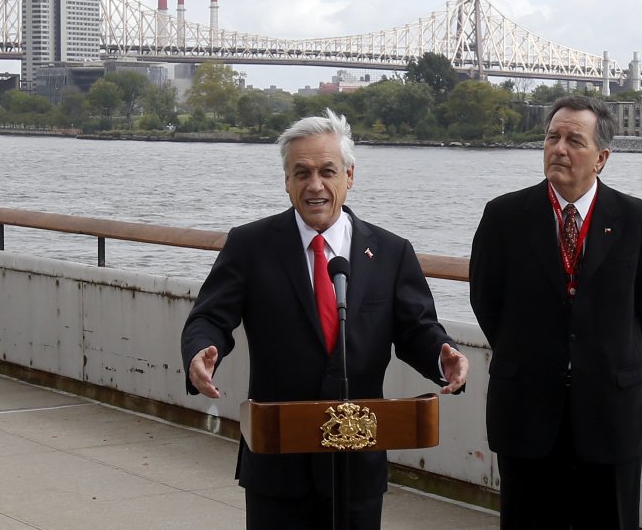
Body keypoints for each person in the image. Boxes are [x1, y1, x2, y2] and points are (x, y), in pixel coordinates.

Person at [181, 109, 469, 530]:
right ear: (286, 181)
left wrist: (441, 357)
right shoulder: (250, 245)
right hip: (278, 462)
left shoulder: (390, 252)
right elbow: (209, 317)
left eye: (327, 172)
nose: (314, 185)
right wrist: (200, 352)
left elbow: (416, 328)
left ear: (349, 177)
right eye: (301, 173)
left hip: (357, 464)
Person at [469, 95, 642, 529]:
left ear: (602, 157)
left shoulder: (639, 220)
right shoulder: (504, 216)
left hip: (609, 410)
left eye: (574, 140)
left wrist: (602, 356)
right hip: (526, 408)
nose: (558, 148)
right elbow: (486, 300)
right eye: (552, 137)